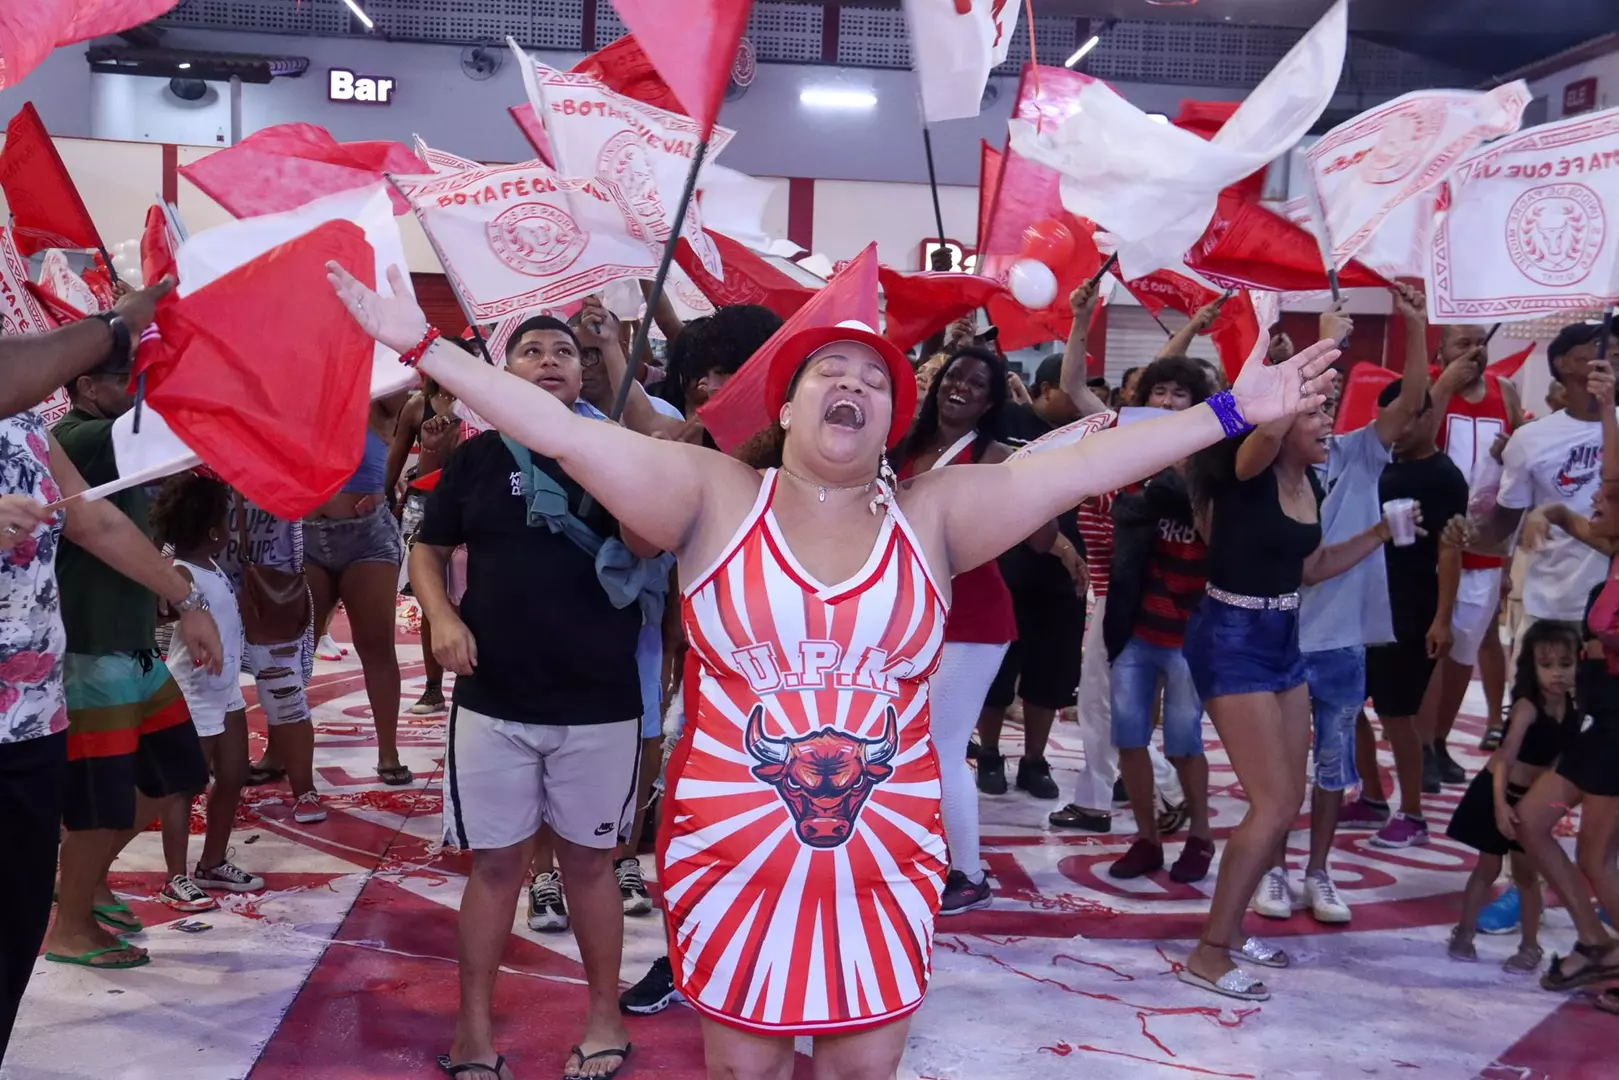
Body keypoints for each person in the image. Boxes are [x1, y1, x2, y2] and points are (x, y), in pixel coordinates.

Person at [328, 260, 1337, 1079]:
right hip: (734, 859)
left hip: (882, 863)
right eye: (828, 373)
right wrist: (426, 348)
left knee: (868, 1066)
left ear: (893, 417)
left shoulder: (937, 516)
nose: (850, 384)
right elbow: (551, 424)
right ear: (789, 399)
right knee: (743, 1069)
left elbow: (1073, 465)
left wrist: (1229, 415)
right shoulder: (712, 491)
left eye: (871, 378)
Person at [411, 313, 657, 1079]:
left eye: (565, 352)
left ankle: (602, 1015)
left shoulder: (618, 451)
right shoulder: (478, 459)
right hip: (493, 697)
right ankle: (472, 1031)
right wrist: (442, 617)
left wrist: (624, 470)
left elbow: (648, 545)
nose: (549, 360)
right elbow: (426, 547)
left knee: (590, 865)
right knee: (495, 867)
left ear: (585, 375)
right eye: (531, 350)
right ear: (504, 370)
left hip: (600, 700)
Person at [0, 281, 216, 1061]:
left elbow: (88, 516)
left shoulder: (23, 415)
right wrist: (119, 324)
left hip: (30, 714)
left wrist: (184, 594)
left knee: (16, 917)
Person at [1180, 367, 1420, 1001]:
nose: (1327, 424)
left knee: (1285, 800)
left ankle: (1229, 929)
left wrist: (1377, 534)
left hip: (1285, 637)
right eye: (1314, 414)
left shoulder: (1309, 480)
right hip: (1230, 639)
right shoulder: (1249, 468)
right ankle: (1209, 951)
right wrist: (1312, 357)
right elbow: (1265, 430)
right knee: (1275, 803)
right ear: (1281, 426)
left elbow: (1311, 568)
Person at [1235, 294, 1428, 922]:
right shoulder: (1272, 468)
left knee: (1331, 764)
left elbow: (1414, 401)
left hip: (1341, 641)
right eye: (1313, 397)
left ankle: (1318, 873)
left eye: (1330, 394)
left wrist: (1416, 325)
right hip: (1280, 636)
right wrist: (1322, 341)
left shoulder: (1362, 454)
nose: (1322, 407)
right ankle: (1274, 869)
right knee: (1278, 771)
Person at [46, 342, 226, 971]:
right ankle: (69, 924)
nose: (140, 390)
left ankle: (84, 883)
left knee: (177, 771)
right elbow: (174, 424)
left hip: (126, 641)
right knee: (101, 798)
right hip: (91, 645)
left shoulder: (102, 438)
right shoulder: (81, 436)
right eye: (130, 379)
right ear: (88, 386)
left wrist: (180, 601)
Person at [895, 344, 1055, 914]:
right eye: (953, 375)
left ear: (991, 400)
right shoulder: (907, 446)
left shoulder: (994, 456)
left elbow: (1039, 539)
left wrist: (1043, 481)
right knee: (904, 746)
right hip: (910, 616)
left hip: (973, 620)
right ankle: (927, 853)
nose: (959, 386)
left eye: (976, 383)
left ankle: (968, 872)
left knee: (940, 747)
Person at [1508, 352, 1619, 1002]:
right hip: (1596, 729)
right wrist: (1605, 408)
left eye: (1607, 498)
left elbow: (1614, 475)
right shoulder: (1610, 546)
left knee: (1597, 860)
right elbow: (1577, 499)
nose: (1595, 501)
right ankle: (1594, 943)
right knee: (1529, 821)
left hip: (1616, 737)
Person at [1102, 356, 1217, 883]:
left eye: (1179, 394)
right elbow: (1120, 518)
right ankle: (1146, 839)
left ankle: (1201, 836)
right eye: (1159, 391)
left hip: (1192, 631)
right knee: (1128, 737)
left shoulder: (1217, 465)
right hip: (1135, 626)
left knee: (1183, 741)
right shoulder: (1129, 460)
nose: (1167, 402)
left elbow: (1221, 539)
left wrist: (1180, 487)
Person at [151, 473, 266, 899]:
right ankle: (174, 876)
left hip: (227, 690)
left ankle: (213, 862)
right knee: (186, 785)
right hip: (193, 694)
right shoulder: (178, 572)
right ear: (215, 532)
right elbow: (163, 611)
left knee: (234, 774)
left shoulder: (209, 565)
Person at [1445, 619, 1577, 970]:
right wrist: (1501, 805)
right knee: (1487, 867)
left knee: (1527, 875)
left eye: (1566, 665)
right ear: (1531, 668)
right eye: (1547, 665)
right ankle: (1464, 931)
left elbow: (1560, 763)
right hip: (1497, 792)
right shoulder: (1526, 708)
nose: (1557, 674)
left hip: (1531, 802)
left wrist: (1555, 805)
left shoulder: (1573, 712)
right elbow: (1504, 759)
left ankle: (1530, 946)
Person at [1423, 324, 1524, 779]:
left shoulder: (1505, 391)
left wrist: (1513, 448)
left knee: (1464, 653)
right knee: (1432, 650)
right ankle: (1420, 745)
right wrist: (1442, 389)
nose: (1475, 350)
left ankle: (1439, 742)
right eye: (1463, 342)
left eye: (1480, 341)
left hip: (1487, 542)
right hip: (1432, 543)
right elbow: (1411, 443)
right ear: (1440, 350)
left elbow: (1520, 474)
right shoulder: (1429, 388)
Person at [223, 497, 324, 822]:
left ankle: (305, 790)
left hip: (272, 588)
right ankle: (220, 787)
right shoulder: (193, 454)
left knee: (285, 695)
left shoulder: (284, 454)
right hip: (209, 585)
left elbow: (313, 502)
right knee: (211, 695)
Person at [388, 374, 461, 716]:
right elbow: (399, 452)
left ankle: (470, 682)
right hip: (425, 505)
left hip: (469, 502)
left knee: (474, 593)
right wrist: (384, 494)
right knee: (433, 598)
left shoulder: (479, 406)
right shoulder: (417, 405)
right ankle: (433, 688)